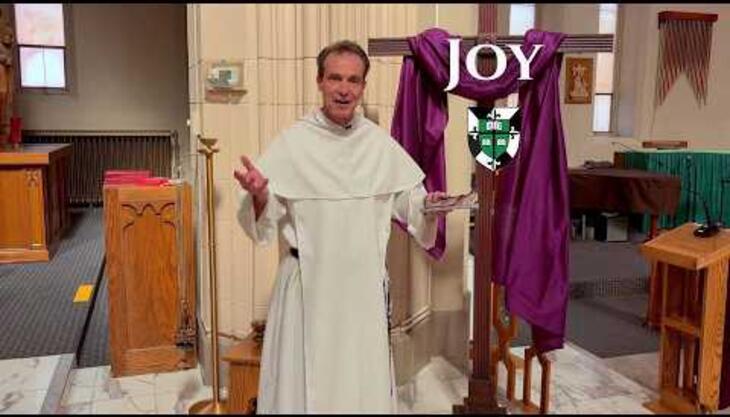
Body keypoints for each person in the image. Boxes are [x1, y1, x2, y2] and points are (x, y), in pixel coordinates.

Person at [235, 40, 453, 414]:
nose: (344, 89)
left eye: (353, 80)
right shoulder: (294, 142)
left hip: (360, 291)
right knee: (302, 386)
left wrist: (428, 206)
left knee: (359, 382)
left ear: (363, 87)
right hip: (306, 287)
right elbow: (265, 217)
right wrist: (258, 195)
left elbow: (407, 201)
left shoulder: (376, 143)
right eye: (335, 78)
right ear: (320, 81)